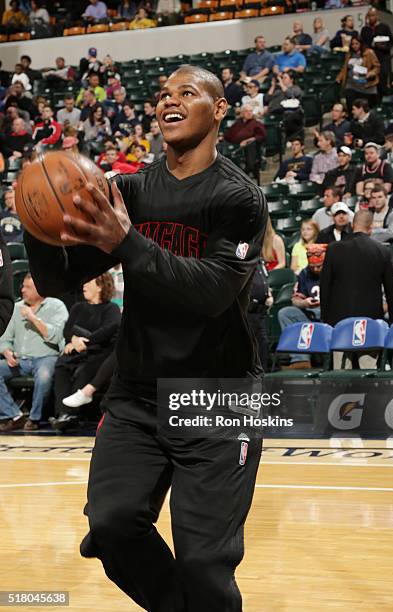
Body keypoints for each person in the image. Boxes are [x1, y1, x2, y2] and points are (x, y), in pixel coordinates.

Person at [24, 64, 268, 612]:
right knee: (111, 527)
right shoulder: (127, 191)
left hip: (216, 397)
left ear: (220, 109)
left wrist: (129, 242)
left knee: (205, 562)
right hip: (137, 394)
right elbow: (60, 279)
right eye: (162, 94)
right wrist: (38, 221)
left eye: (188, 92)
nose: (169, 101)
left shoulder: (240, 198)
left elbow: (210, 293)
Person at [320, 210, 393, 369]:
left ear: (352, 225)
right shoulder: (382, 251)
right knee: (369, 374)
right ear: (370, 228)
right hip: (369, 323)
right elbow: (392, 291)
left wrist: (326, 320)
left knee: (341, 376)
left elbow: (325, 287)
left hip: (339, 323)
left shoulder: (333, 249)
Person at [51, 274, 121, 430]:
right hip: (78, 350)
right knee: (62, 365)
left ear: (101, 286)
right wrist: (75, 340)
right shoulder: (78, 307)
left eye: (88, 282)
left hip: (100, 352)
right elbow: (68, 330)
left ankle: (73, 414)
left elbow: (108, 331)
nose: (84, 286)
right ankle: (62, 413)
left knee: (86, 369)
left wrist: (83, 341)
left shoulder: (111, 308)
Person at [0, 273, 68, 432]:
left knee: (44, 375)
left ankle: (34, 418)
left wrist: (34, 319)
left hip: (46, 357)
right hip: (20, 360)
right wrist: (6, 350)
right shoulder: (16, 308)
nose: (23, 290)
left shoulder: (56, 306)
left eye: (28, 287)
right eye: (23, 286)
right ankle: (14, 414)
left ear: (39, 288)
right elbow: (4, 336)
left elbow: (58, 335)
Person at [278, 244, 326, 370]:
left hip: (329, 315)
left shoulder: (334, 272)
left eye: (319, 266)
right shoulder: (304, 273)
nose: (315, 269)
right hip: (310, 313)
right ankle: (301, 360)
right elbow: (295, 299)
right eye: (312, 266)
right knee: (285, 312)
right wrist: (305, 303)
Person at [337, 36, 380, 114]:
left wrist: (371, 73)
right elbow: (345, 68)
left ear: (361, 43)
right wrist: (339, 77)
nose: (354, 46)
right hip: (351, 84)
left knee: (364, 110)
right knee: (351, 107)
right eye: (352, 44)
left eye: (356, 43)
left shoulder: (369, 52)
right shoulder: (349, 54)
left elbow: (377, 66)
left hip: (365, 85)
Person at [224, 104, 266, 181]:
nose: (249, 113)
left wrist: (247, 140)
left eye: (250, 111)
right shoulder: (238, 123)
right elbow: (228, 135)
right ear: (242, 113)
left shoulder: (256, 123)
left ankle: (245, 172)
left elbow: (261, 136)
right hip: (235, 146)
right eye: (247, 111)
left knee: (250, 145)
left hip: (248, 148)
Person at [360, 7, 393, 98]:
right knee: (371, 84)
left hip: (383, 58)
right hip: (371, 60)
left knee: (383, 83)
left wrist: (382, 46)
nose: (371, 18)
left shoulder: (384, 27)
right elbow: (363, 44)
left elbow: (391, 42)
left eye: (373, 15)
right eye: (369, 16)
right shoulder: (365, 30)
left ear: (377, 16)